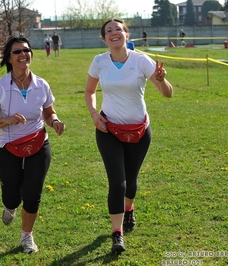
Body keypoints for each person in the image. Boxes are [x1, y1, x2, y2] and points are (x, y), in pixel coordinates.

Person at [84, 19, 173, 254]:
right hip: (108, 129)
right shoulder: (99, 62)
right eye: (109, 31)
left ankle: (129, 208)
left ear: (127, 34)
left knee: (131, 181)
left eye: (119, 29)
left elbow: (167, 94)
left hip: (139, 131)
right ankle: (117, 233)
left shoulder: (141, 60)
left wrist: (162, 80)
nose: (114, 33)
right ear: (104, 39)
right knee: (117, 182)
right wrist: (94, 113)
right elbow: (90, 91)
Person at [0, 36, 65, 254]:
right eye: (17, 52)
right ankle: (9, 206)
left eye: (26, 50)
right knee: (11, 195)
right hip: (10, 147)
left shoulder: (41, 84)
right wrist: (7, 120)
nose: (23, 55)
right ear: (9, 58)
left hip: (38, 143)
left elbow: (48, 111)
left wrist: (54, 121)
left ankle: (27, 236)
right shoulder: (0, 87)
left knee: (32, 193)